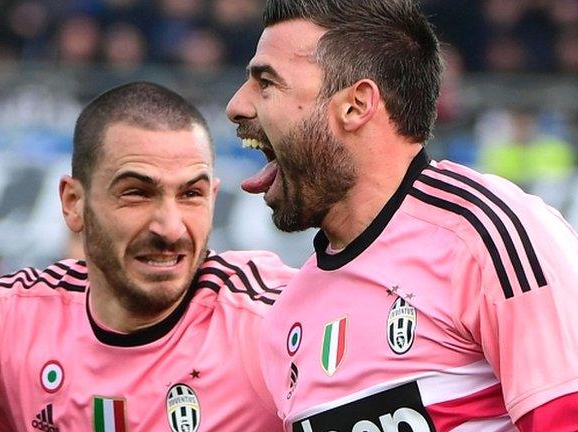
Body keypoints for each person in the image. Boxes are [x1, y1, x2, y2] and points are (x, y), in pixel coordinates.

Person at [0, 82, 295, 431]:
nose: (169, 228)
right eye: (136, 194)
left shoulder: (275, 319)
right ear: (74, 203)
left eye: (190, 195)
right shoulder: (10, 324)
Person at [226, 1, 578, 431]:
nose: (237, 106)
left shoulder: (489, 235)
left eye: (266, 83)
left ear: (356, 105)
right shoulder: (285, 318)